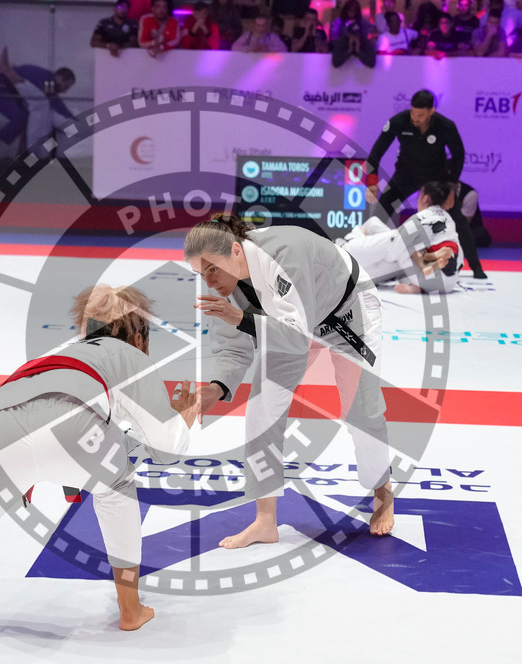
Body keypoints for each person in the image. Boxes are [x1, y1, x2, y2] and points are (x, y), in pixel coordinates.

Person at [0, 285, 198, 664]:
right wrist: (185, 413)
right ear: (139, 334)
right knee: (117, 486)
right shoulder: (130, 354)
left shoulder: (56, 356)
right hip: (76, 428)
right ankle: (131, 610)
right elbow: (167, 449)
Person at [185, 214, 395, 548]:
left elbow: (295, 338)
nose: (209, 281)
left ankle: (382, 491)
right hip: (287, 325)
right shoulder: (224, 284)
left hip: (348, 314)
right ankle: (265, 521)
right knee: (261, 410)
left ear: (236, 251)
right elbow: (233, 346)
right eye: (201, 273)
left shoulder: (283, 254)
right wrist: (216, 387)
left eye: (212, 269)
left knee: (361, 412)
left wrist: (241, 318)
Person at [365, 89, 466, 227]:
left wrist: (452, 188)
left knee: (455, 215)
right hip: (405, 175)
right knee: (378, 216)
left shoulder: (446, 126)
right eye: (413, 112)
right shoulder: (398, 122)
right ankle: (361, 245)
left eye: (420, 115)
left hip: (436, 176)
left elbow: (459, 155)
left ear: (431, 111)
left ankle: (467, 248)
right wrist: (371, 182)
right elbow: (376, 152)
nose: (415, 118)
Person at [340, 181, 461, 294]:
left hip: (426, 277)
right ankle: (412, 282)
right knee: (374, 223)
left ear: (425, 198)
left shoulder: (419, 219)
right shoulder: (449, 220)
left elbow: (392, 253)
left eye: (419, 197)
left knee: (400, 247)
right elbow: (459, 258)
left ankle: (350, 241)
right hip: (449, 282)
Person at [0, 49, 75, 159]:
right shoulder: (46, 81)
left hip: (6, 90)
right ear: (59, 78)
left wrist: (72, 119)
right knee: (23, 118)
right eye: (66, 86)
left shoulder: (46, 78)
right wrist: (72, 120)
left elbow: (54, 102)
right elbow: (54, 102)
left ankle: (20, 155)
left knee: (29, 118)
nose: (65, 91)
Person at [330, 0, 377, 66]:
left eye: (354, 11)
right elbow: (334, 38)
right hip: (342, 48)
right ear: (345, 10)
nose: (351, 13)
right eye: (349, 10)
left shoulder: (363, 23)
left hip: (360, 48)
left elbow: (366, 38)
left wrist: (358, 49)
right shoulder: (338, 22)